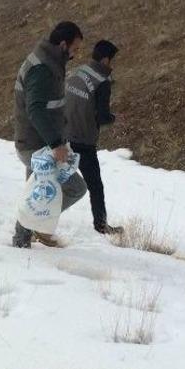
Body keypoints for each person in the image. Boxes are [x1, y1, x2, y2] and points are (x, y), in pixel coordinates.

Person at [12, 21, 87, 248]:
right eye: (74, 49)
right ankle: (35, 225)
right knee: (75, 188)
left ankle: (22, 240)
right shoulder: (42, 68)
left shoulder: (49, 61)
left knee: (34, 196)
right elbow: (35, 109)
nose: (76, 54)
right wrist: (56, 144)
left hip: (37, 141)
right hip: (37, 145)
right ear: (63, 44)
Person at [65, 40, 121, 234]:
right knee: (95, 186)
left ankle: (36, 215)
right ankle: (101, 225)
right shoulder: (102, 82)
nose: (113, 64)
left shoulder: (78, 71)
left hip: (63, 137)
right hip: (83, 140)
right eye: (112, 60)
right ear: (105, 59)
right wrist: (114, 118)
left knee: (56, 180)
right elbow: (102, 116)